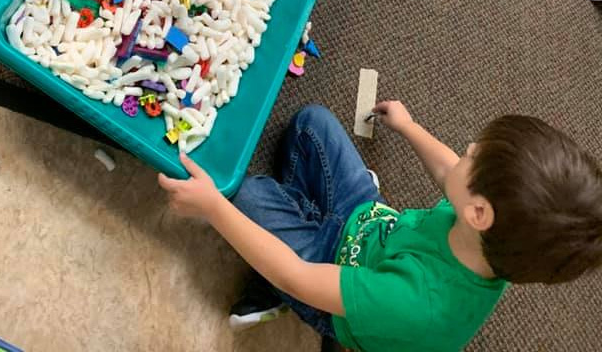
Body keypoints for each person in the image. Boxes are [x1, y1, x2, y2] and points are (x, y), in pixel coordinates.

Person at [158, 102, 602, 351]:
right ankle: (296, 221)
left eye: (475, 155)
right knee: (312, 123)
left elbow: (300, 274)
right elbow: (452, 173)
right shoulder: (497, 239)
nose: (466, 148)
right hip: (370, 220)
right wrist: (410, 126)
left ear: (479, 214)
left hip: (335, 284)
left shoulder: (419, 302)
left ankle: (277, 294)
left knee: (244, 197)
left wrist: (214, 209)